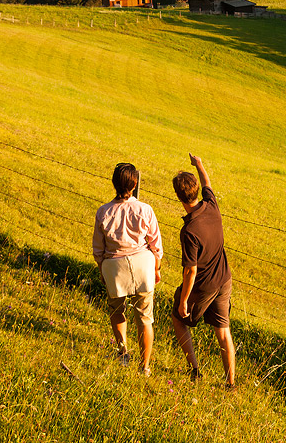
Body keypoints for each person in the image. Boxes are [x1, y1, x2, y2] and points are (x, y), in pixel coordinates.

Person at [92, 162, 163, 376]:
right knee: (144, 317)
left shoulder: (103, 212)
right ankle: (145, 366)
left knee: (116, 310)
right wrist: (156, 268)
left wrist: (103, 269)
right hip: (143, 265)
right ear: (134, 184)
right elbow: (155, 244)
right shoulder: (145, 209)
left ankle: (123, 351)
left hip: (114, 267)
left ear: (114, 183)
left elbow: (98, 249)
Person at [171, 154, 235, 388]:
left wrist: (184, 301)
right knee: (223, 332)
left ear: (178, 197)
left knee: (178, 320)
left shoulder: (189, 230)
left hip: (204, 285)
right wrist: (199, 164)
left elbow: (190, 272)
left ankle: (194, 369)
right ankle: (230, 383)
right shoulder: (211, 205)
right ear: (196, 191)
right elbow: (207, 183)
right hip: (224, 279)